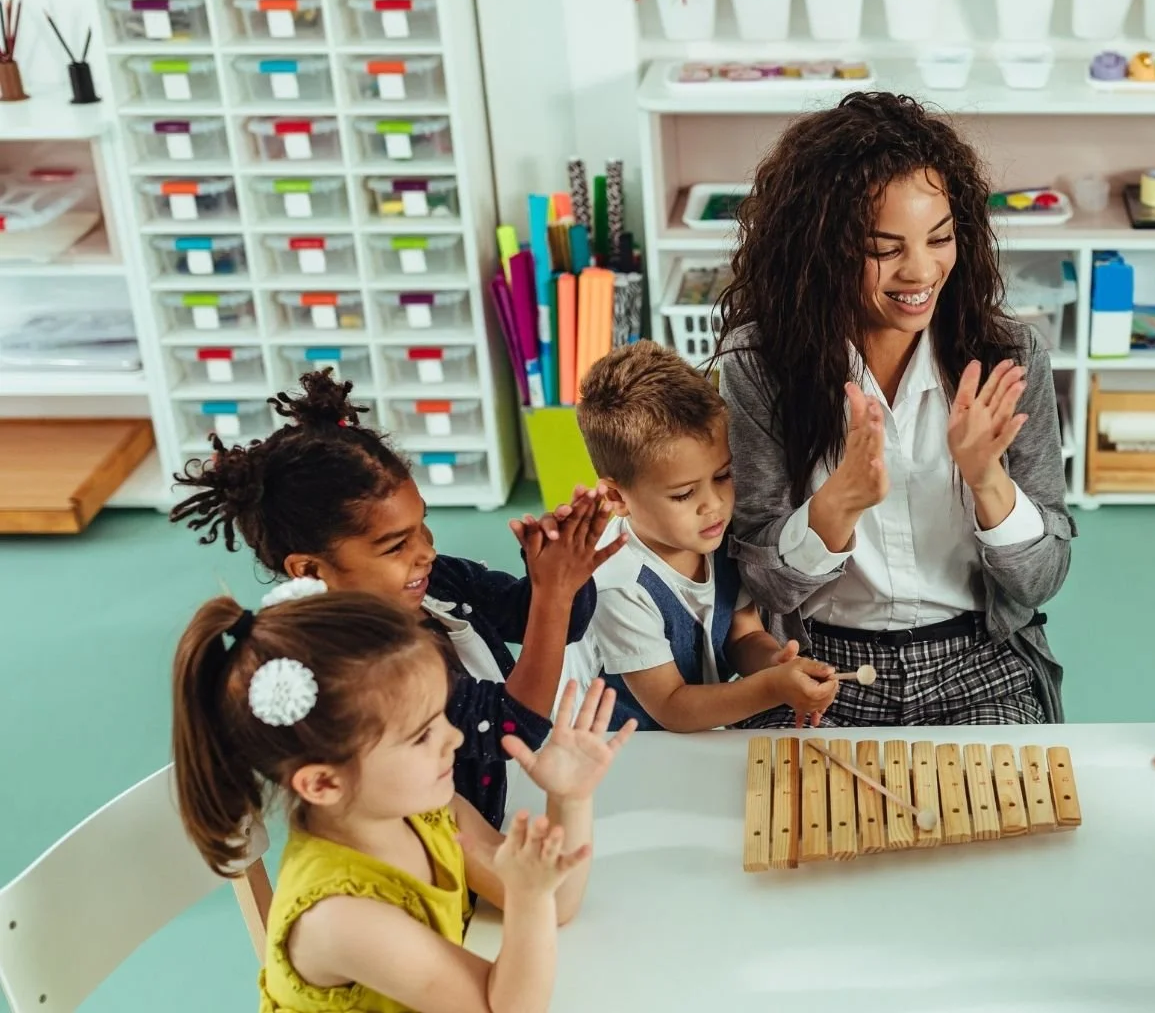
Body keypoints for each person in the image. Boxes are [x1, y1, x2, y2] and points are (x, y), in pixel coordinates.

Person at [713, 92, 1073, 727]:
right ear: (819, 250)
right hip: (819, 664)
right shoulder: (760, 364)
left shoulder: (1009, 356)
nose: (921, 270)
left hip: (979, 661)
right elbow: (767, 586)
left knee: (1011, 825)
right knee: (793, 822)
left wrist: (988, 481)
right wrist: (838, 503)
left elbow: (1040, 583)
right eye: (884, 248)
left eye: (940, 238)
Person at [170, 369, 619, 827]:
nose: (426, 550)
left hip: (499, 819)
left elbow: (548, 622)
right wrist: (553, 593)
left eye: (422, 524)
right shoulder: (359, 665)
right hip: (437, 858)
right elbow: (510, 724)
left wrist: (564, 569)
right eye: (395, 544)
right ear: (308, 570)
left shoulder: (436, 582)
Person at [172, 584, 635, 1011]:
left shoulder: (427, 812)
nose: (453, 739)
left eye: (440, 716)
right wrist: (530, 899)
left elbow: (558, 907)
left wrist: (569, 799)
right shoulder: (341, 917)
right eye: (420, 735)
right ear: (323, 784)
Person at [571, 340, 841, 731]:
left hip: (695, 735)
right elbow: (672, 706)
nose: (713, 504)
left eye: (723, 476)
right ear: (616, 497)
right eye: (684, 494)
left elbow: (743, 632)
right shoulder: (618, 583)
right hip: (625, 752)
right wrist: (771, 688)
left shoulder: (714, 536)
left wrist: (776, 663)